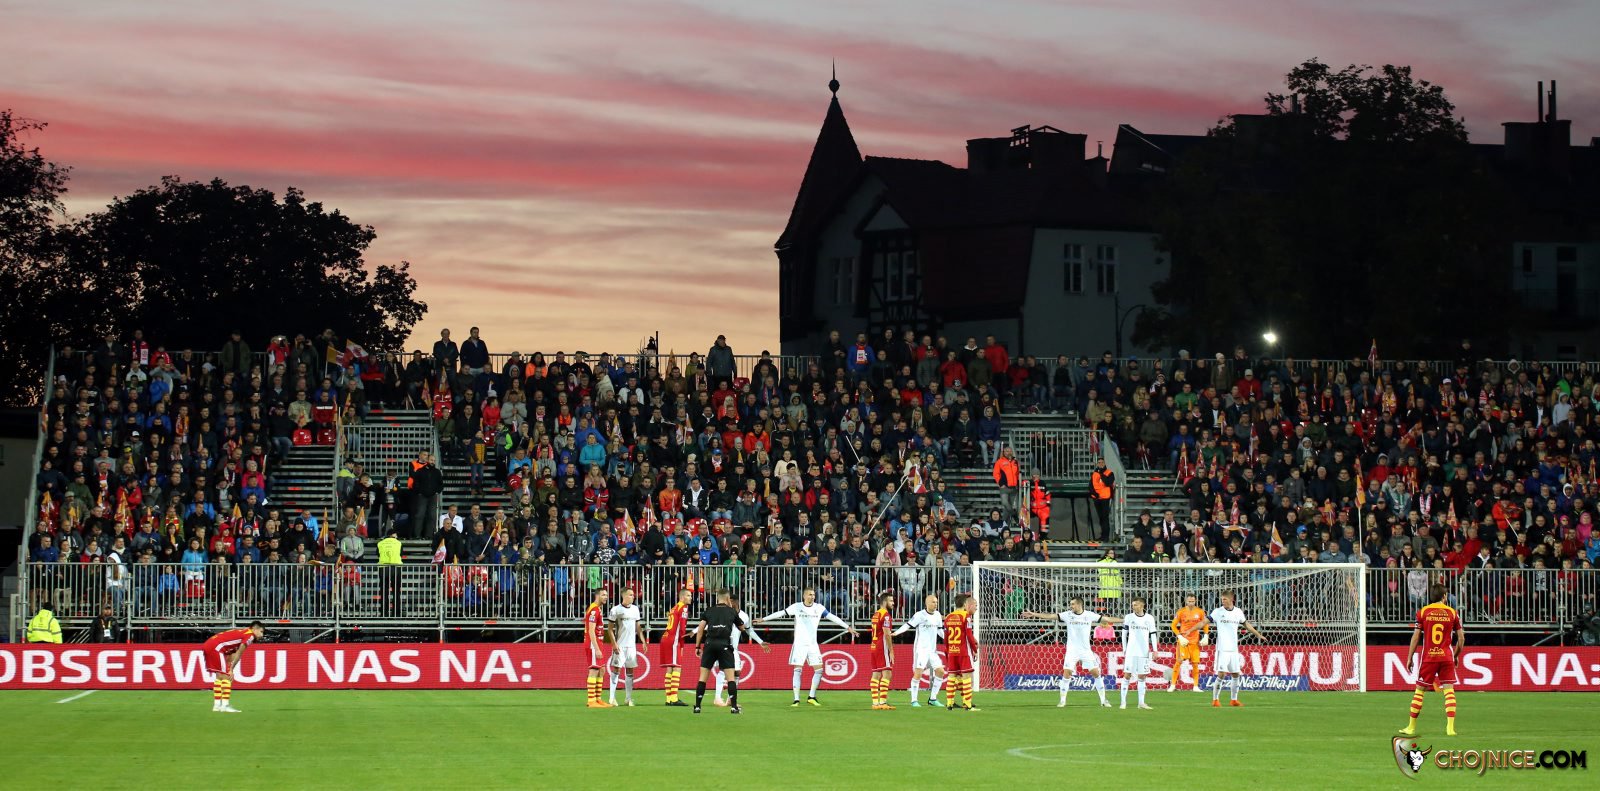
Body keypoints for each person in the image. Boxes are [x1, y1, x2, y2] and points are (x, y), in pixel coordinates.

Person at [757, 587, 857, 706]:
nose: (812, 597)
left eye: (813, 595)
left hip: (813, 644)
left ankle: (811, 697)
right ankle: (796, 699)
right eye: (810, 595)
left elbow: (833, 617)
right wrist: (764, 619)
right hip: (800, 644)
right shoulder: (797, 607)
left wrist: (847, 627)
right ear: (804, 596)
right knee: (798, 670)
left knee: (819, 670)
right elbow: (781, 613)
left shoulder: (819, 608)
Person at [1022, 596, 1121, 707]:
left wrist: (1124, 620)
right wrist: (1034, 614)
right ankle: (1062, 701)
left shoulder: (1089, 615)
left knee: (1096, 674)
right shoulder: (1067, 615)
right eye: (1070, 604)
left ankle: (1103, 700)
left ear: (1079, 604)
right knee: (1067, 673)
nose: (1071, 606)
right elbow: (1051, 616)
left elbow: (1107, 619)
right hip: (1072, 651)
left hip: (1085, 651)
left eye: (1073, 604)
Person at [1399, 583, 1464, 737]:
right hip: (1446, 657)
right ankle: (1450, 728)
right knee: (1449, 691)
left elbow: (1416, 636)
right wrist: (1455, 656)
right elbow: (1461, 639)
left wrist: (1409, 657)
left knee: (1419, 691)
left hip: (1429, 657)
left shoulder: (1423, 612)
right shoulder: (1453, 613)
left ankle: (1411, 727)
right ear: (1444, 596)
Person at [693, 589, 752, 714]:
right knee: (730, 678)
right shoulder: (731, 611)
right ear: (727, 598)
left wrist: (697, 647)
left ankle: (697, 707)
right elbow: (742, 628)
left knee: (702, 678)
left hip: (709, 645)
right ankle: (734, 707)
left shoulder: (709, 610)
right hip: (724, 645)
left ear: (717, 598)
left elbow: (701, 628)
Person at [1204, 591, 1266, 707]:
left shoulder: (1238, 612)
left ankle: (1234, 700)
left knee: (1236, 674)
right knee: (1221, 674)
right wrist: (1191, 630)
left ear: (1231, 599)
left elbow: (1246, 624)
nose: (1223, 601)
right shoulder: (1218, 612)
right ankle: (1215, 700)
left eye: (1225, 599)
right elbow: (1204, 622)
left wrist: (1258, 634)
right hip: (1222, 649)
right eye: (1222, 599)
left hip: (1233, 649)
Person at [714, 593, 768, 707]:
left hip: (734, 648)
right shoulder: (723, 613)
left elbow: (749, 630)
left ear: (735, 602)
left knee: (737, 672)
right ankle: (717, 698)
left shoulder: (744, 616)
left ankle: (730, 699)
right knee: (723, 670)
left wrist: (760, 641)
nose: (728, 603)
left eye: (730, 601)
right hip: (723, 646)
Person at [894, 593, 947, 707]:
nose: (935, 604)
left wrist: (948, 639)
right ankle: (914, 700)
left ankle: (933, 699)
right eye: (933, 602)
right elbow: (908, 625)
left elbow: (939, 630)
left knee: (940, 671)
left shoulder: (937, 615)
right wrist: (896, 633)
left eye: (936, 602)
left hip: (932, 651)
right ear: (927, 603)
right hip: (921, 650)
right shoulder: (919, 615)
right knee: (918, 673)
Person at [202, 621, 265, 713]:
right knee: (227, 677)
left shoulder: (242, 633)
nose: (262, 635)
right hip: (216, 647)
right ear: (254, 629)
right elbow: (239, 653)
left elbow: (230, 655)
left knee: (219, 677)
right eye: (261, 632)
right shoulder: (250, 635)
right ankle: (225, 705)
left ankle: (217, 706)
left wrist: (229, 667)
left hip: (209, 644)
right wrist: (231, 670)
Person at [607, 588, 647, 707]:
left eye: (633, 595)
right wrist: (614, 644)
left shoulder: (635, 609)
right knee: (616, 670)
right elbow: (610, 629)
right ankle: (612, 698)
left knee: (630, 671)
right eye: (630, 595)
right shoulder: (615, 610)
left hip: (631, 646)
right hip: (620, 645)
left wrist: (643, 640)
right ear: (624, 596)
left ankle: (628, 698)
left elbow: (638, 626)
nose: (633, 596)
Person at [1119, 597, 1158, 710]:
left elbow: (1153, 634)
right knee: (1127, 675)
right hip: (1131, 651)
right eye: (1132, 605)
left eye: (1135, 605)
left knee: (1142, 676)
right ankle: (1123, 702)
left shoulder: (1149, 618)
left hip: (1144, 651)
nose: (1133, 607)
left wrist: (1155, 650)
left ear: (1142, 605)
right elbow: (1124, 634)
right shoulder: (1129, 617)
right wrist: (1124, 649)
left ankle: (1141, 703)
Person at [942, 593, 978, 711]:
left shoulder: (948, 617)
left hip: (952, 651)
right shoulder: (966, 616)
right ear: (965, 604)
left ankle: (949, 703)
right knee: (967, 677)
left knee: (951, 676)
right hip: (963, 651)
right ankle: (967, 704)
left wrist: (947, 650)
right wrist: (975, 649)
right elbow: (969, 635)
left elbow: (945, 637)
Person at [1167, 593, 1209, 693]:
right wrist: (1179, 636)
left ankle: (1195, 686)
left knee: (1195, 664)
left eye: (1192, 601)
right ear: (1186, 601)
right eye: (1189, 601)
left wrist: (1206, 635)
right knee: (1179, 661)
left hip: (1195, 641)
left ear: (1195, 601)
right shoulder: (1181, 612)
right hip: (1183, 641)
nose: (1191, 603)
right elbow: (1173, 625)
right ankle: (1172, 685)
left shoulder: (1200, 612)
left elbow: (1205, 624)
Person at [659, 587, 693, 706]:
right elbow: (682, 628)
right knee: (677, 667)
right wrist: (682, 645)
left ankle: (669, 698)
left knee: (670, 668)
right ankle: (674, 698)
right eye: (688, 595)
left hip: (665, 638)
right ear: (682, 597)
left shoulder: (674, 608)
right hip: (673, 640)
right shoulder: (683, 608)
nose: (690, 598)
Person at [584, 589, 613, 708]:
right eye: (603, 595)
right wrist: (596, 649)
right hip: (593, 643)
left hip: (598, 642)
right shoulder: (594, 610)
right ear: (597, 596)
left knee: (602, 670)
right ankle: (591, 701)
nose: (606, 597)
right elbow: (591, 630)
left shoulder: (597, 609)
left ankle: (598, 699)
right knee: (594, 670)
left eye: (606, 595)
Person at [868, 592, 896, 710]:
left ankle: (875, 703)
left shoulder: (876, 614)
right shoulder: (886, 615)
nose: (893, 603)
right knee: (887, 673)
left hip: (873, 646)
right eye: (891, 601)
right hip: (882, 646)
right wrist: (891, 650)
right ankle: (883, 702)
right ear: (885, 602)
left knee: (876, 674)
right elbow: (887, 634)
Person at [1090, 457, 1116, 543]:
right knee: (1100, 517)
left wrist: (1101, 473)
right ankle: (1102, 536)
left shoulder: (1109, 473)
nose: (1100, 464)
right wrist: (1094, 494)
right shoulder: (1094, 473)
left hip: (1105, 498)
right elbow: (1091, 485)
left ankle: (1106, 537)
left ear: (1105, 463)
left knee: (1105, 518)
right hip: (1097, 499)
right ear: (1097, 464)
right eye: (1099, 462)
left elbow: (1108, 483)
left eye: (1102, 462)